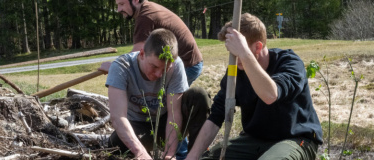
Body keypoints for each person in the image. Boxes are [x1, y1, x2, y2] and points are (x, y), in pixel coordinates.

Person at [185, 13, 323, 160]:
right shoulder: (237, 70)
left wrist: (244, 53)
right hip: (253, 141)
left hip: (295, 139)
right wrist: (192, 157)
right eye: (231, 52)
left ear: (258, 47)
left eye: (237, 51)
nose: (234, 57)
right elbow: (216, 117)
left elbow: (270, 95)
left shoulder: (290, 62)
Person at [100, 28, 210, 159]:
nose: (159, 74)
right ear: (142, 54)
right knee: (116, 142)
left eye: (165, 69)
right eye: (155, 66)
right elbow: (118, 117)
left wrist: (170, 153)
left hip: (165, 123)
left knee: (199, 96)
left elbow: (174, 114)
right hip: (139, 128)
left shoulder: (176, 65)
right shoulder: (121, 67)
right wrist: (140, 152)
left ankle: (196, 156)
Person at [115, 0, 203, 86]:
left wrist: (115, 67)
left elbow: (136, 55)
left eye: (122, 4)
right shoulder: (147, 8)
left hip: (187, 65)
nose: (119, 9)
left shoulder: (145, 16)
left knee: (162, 98)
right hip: (188, 62)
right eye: (118, 5)